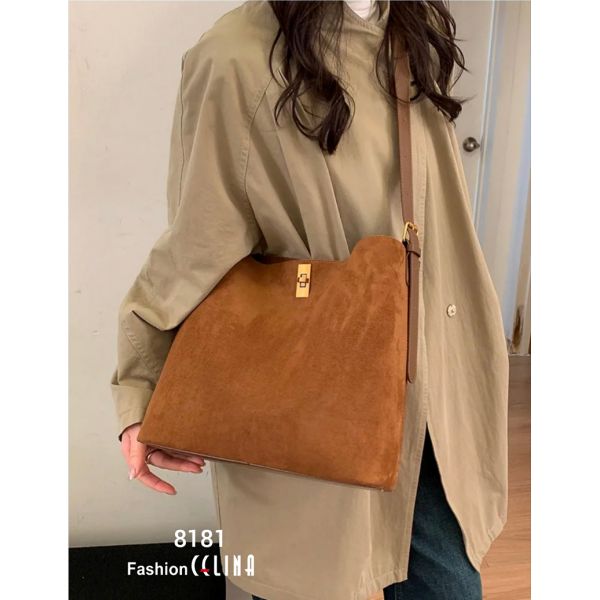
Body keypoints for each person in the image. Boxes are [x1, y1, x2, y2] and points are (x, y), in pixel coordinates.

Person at [110, 1, 509, 599]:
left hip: (434, 385)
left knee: (447, 581)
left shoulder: (412, 24)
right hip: (317, 393)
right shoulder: (238, 56)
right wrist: (143, 386)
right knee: (312, 576)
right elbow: (198, 241)